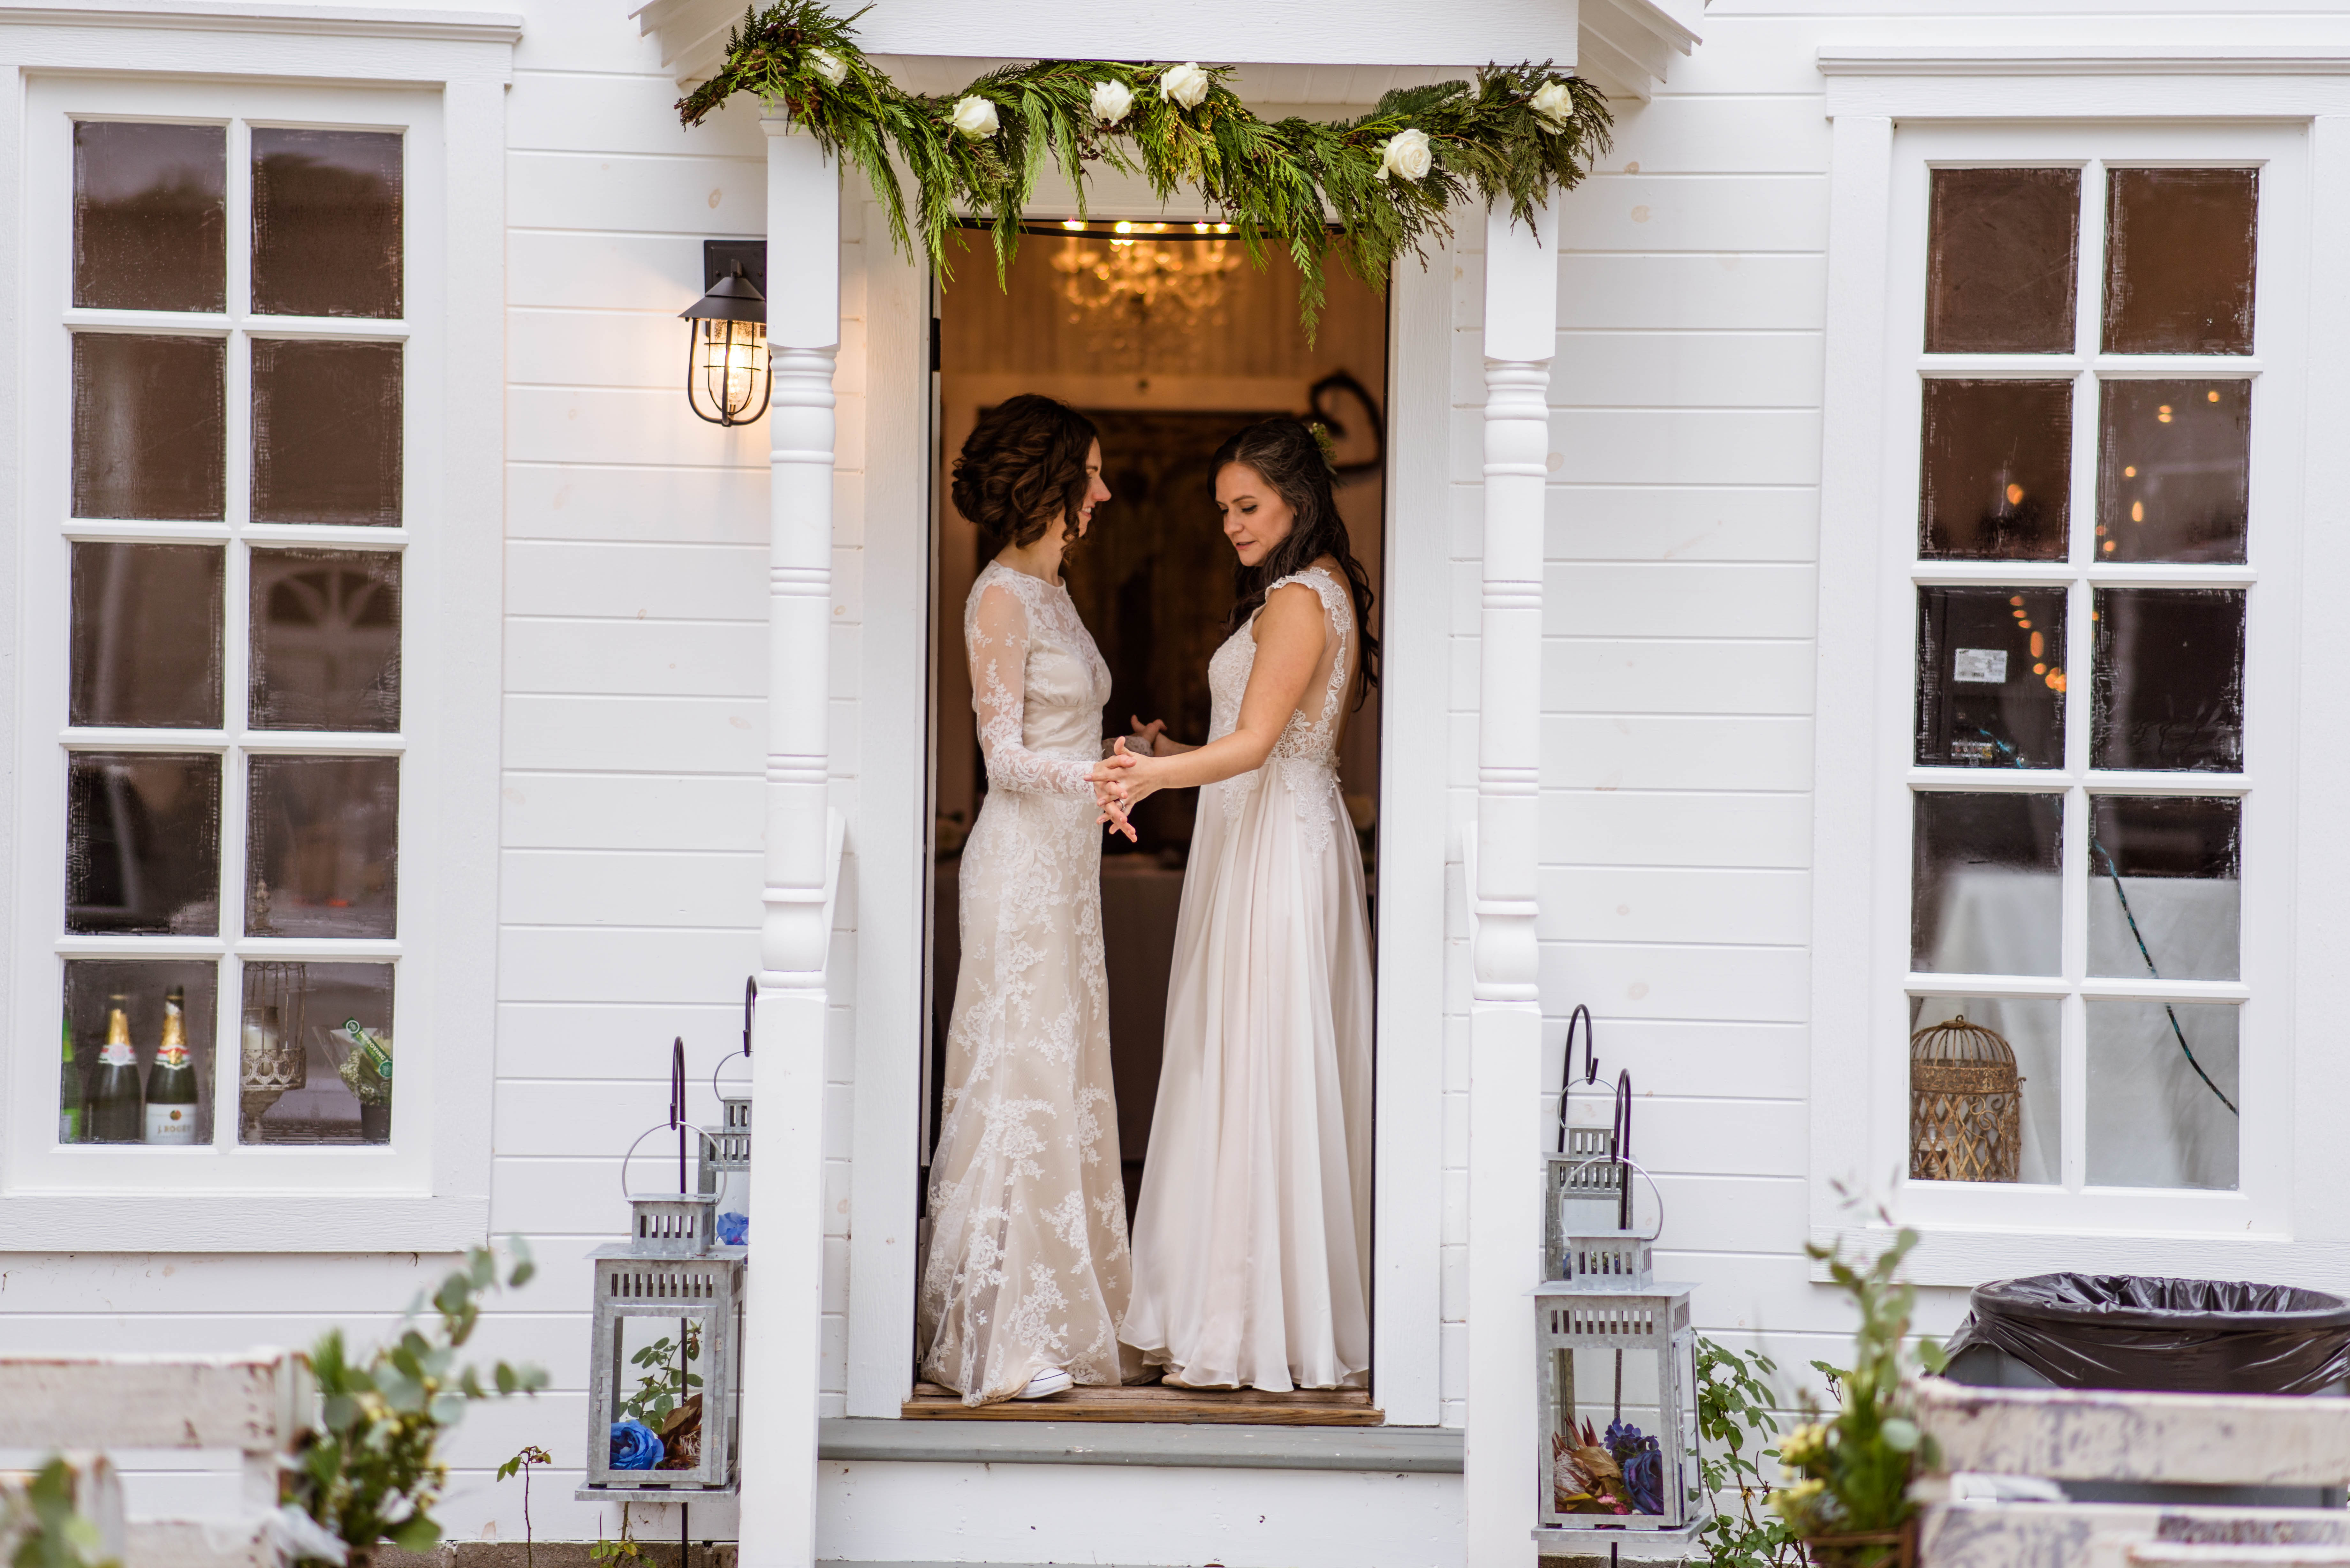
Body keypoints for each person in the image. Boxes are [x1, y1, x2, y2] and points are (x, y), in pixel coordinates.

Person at [1094, 416, 1380, 1391]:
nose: (1231, 525)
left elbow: (1258, 745)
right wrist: (1174, 755)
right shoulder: (1314, 590)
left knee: (1255, 1063)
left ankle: (1250, 1323)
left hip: (1274, 853)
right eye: (1222, 511)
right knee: (1254, 1061)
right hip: (1275, 832)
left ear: (1296, 499)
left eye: (1247, 506)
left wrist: (1147, 783)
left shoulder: (1303, 598)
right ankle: (1249, 1309)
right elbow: (1268, 739)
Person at [919, 395, 1137, 1404]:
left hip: (1070, 872)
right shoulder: (1000, 597)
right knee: (1018, 1077)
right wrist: (1093, 781)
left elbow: (1067, 734)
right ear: (1050, 483)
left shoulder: (1057, 590)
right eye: (1089, 473)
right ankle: (1005, 1336)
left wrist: (1120, 759)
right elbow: (1005, 758)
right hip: (1019, 868)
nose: (1101, 491)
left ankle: (1064, 1306)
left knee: (1064, 1077)